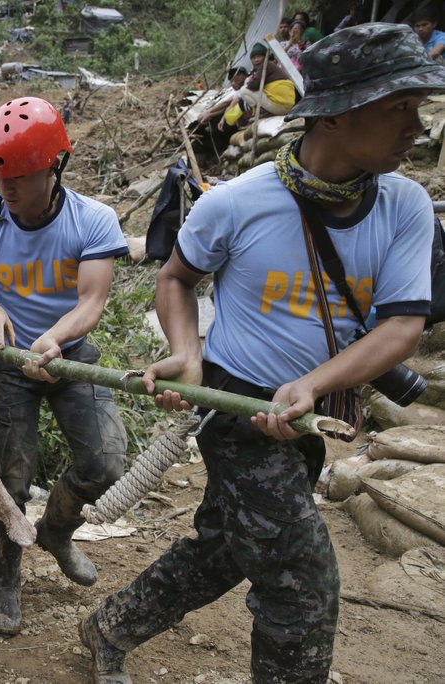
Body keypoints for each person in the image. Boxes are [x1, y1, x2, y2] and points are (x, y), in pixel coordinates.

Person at [81, 23, 444, 684]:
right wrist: (188, 356)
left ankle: (111, 625)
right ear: (334, 117)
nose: (416, 126)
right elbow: (174, 279)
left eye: (417, 108)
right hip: (235, 410)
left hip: (308, 412)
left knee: (227, 548)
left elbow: (401, 328)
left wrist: (314, 385)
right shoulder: (239, 203)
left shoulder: (408, 206)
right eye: (399, 108)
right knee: (302, 585)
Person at [0, 96, 129, 637]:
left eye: (22, 177)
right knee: (8, 478)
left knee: (106, 464)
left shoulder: (93, 219)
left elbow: (92, 303)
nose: (7, 189)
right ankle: (5, 581)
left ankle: (56, 531)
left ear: (54, 167)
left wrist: (53, 340)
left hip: (70, 357)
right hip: (8, 362)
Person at [217, 43, 296, 130]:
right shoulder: (265, 68)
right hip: (283, 104)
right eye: (254, 58)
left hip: (280, 104)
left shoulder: (266, 65)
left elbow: (253, 85)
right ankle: (262, 112)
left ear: (265, 56)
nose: (256, 60)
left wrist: (250, 81)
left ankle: (263, 112)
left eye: (259, 56)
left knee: (244, 90)